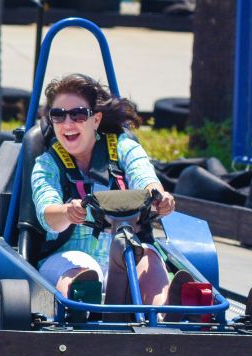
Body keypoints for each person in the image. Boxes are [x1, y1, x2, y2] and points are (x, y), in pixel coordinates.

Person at [30, 73, 178, 307]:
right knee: (84, 267)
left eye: (78, 114)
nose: (68, 124)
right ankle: (80, 309)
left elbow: (143, 175)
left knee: (148, 255)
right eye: (58, 116)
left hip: (123, 255)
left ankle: (165, 313)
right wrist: (67, 213)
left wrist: (158, 196)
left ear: (96, 119)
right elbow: (47, 211)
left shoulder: (122, 148)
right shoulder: (47, 164)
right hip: (64, 259)